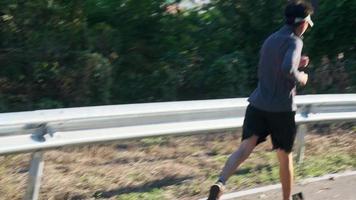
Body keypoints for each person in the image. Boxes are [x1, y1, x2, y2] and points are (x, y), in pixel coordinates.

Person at [207, 1, 314, 200]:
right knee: (285, 157)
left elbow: (272, 66)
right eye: (308, 23)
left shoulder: (271, 39)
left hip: (257, 104)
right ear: (302, 23)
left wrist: (296, 62)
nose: (307, 27)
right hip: (281, 109)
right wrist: (302, 76)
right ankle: (286, 199)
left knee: (244, 148)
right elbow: (287, 70)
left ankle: (220, 182)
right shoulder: (295, 41)